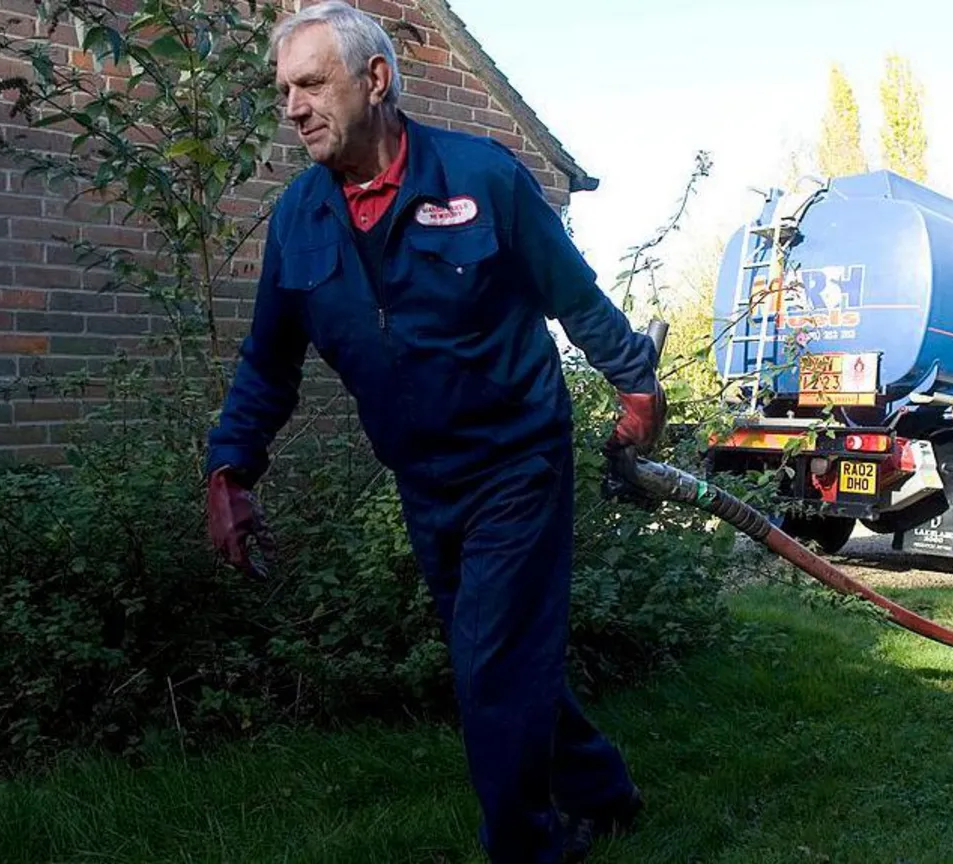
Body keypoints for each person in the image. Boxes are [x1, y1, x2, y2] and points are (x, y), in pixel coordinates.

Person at [202, 3, 664, 862]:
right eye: (283, 91)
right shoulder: (300, 219)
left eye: (310, 84)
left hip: (516, 458)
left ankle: (530, 848)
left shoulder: (481, 177)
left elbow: (573, 296)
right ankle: (603, 788)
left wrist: (635, 383)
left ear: (375, 80)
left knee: (490, 661)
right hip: (423, 478)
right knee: (496, 652)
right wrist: (230, 470)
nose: (292, 107)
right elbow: (268, 364)